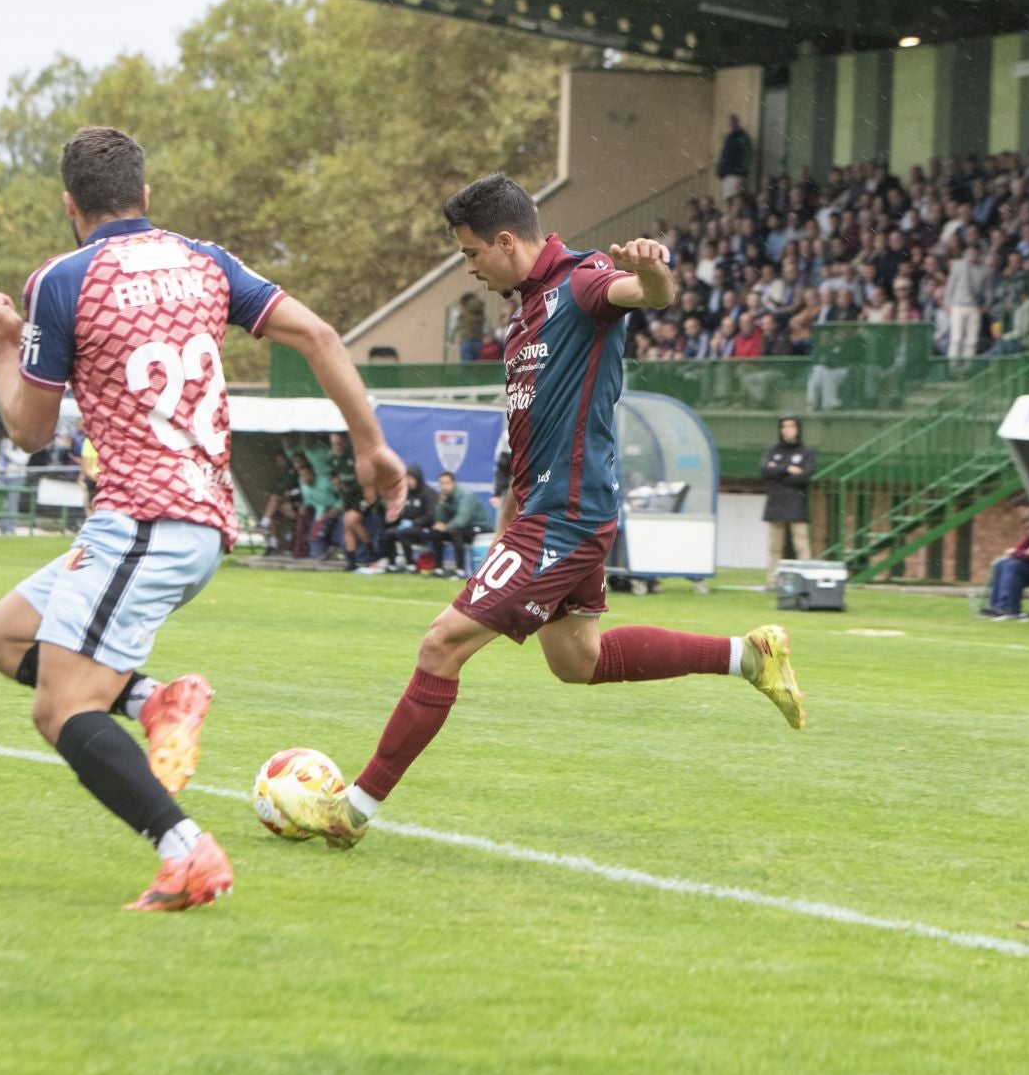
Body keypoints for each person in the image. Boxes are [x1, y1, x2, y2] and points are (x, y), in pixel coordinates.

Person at [270, 173, 803, 851]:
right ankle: (749, 657)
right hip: (546, 513)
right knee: (576, 660)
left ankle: (352, 811)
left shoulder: (583, 281)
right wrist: (504, 530)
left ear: (503, 240)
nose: (468, 268)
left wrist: (655, 269)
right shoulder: (522, 313)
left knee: (441, 645)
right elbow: (534, 436)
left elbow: (645, 294)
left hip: (569, 516)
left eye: (469, 254)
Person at [0, 126, 405, 911]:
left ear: (71, 207)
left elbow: (30, 432)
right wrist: (371, 447)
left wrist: (2, 348)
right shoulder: (205, 260)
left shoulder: (62, 281)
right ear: (146, 197)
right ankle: (155, 702)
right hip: (199, 519)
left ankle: (186, 853)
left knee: (61, 709)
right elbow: (320, 334)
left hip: (141, 520)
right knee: (5, 634)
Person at [759, 416, 815, 588]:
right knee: (775, 546)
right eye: (784, 426)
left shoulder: (806, 452)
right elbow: (764, 470)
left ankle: (807, 581)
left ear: (798, 429)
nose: (787, 429)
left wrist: (778, 474)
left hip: (796, 503)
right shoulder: (773, 450)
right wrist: (787, 469)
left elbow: (804, 476)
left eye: (791, 426)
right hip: (776, 502)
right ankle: (772, 582)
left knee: (801, 544)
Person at [979, 511, 1029, 619]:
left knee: (1019, 566)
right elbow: (1017, 551)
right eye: (1028, 528)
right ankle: (998, 606)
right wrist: (1027, 553)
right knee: (1004, 564)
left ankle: (1009, 607)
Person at [426, 471, 492, 576]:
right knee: (436, 532)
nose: (444, 487)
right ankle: (439, 569)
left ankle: (460, 570)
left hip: (479, 526)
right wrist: (441, 504)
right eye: (441, 484)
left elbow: (462, 520)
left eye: (446, 483)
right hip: (459, 528)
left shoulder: (466, 495)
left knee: (455, 531)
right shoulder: (445, 497)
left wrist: (446, 527)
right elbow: (440, 519)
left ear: (454, 483)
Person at [716, 114, 752, 201]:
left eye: (732, 123)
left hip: (737, 173)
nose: (731, 125)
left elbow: (747, 153)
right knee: (727, 199)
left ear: (737, 123)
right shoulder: (728, 138)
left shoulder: (743, 137)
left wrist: (743, 170)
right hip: (727, 173)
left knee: (736, 198)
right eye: (729, 124)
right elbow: (723, 155)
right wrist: (720, 170)